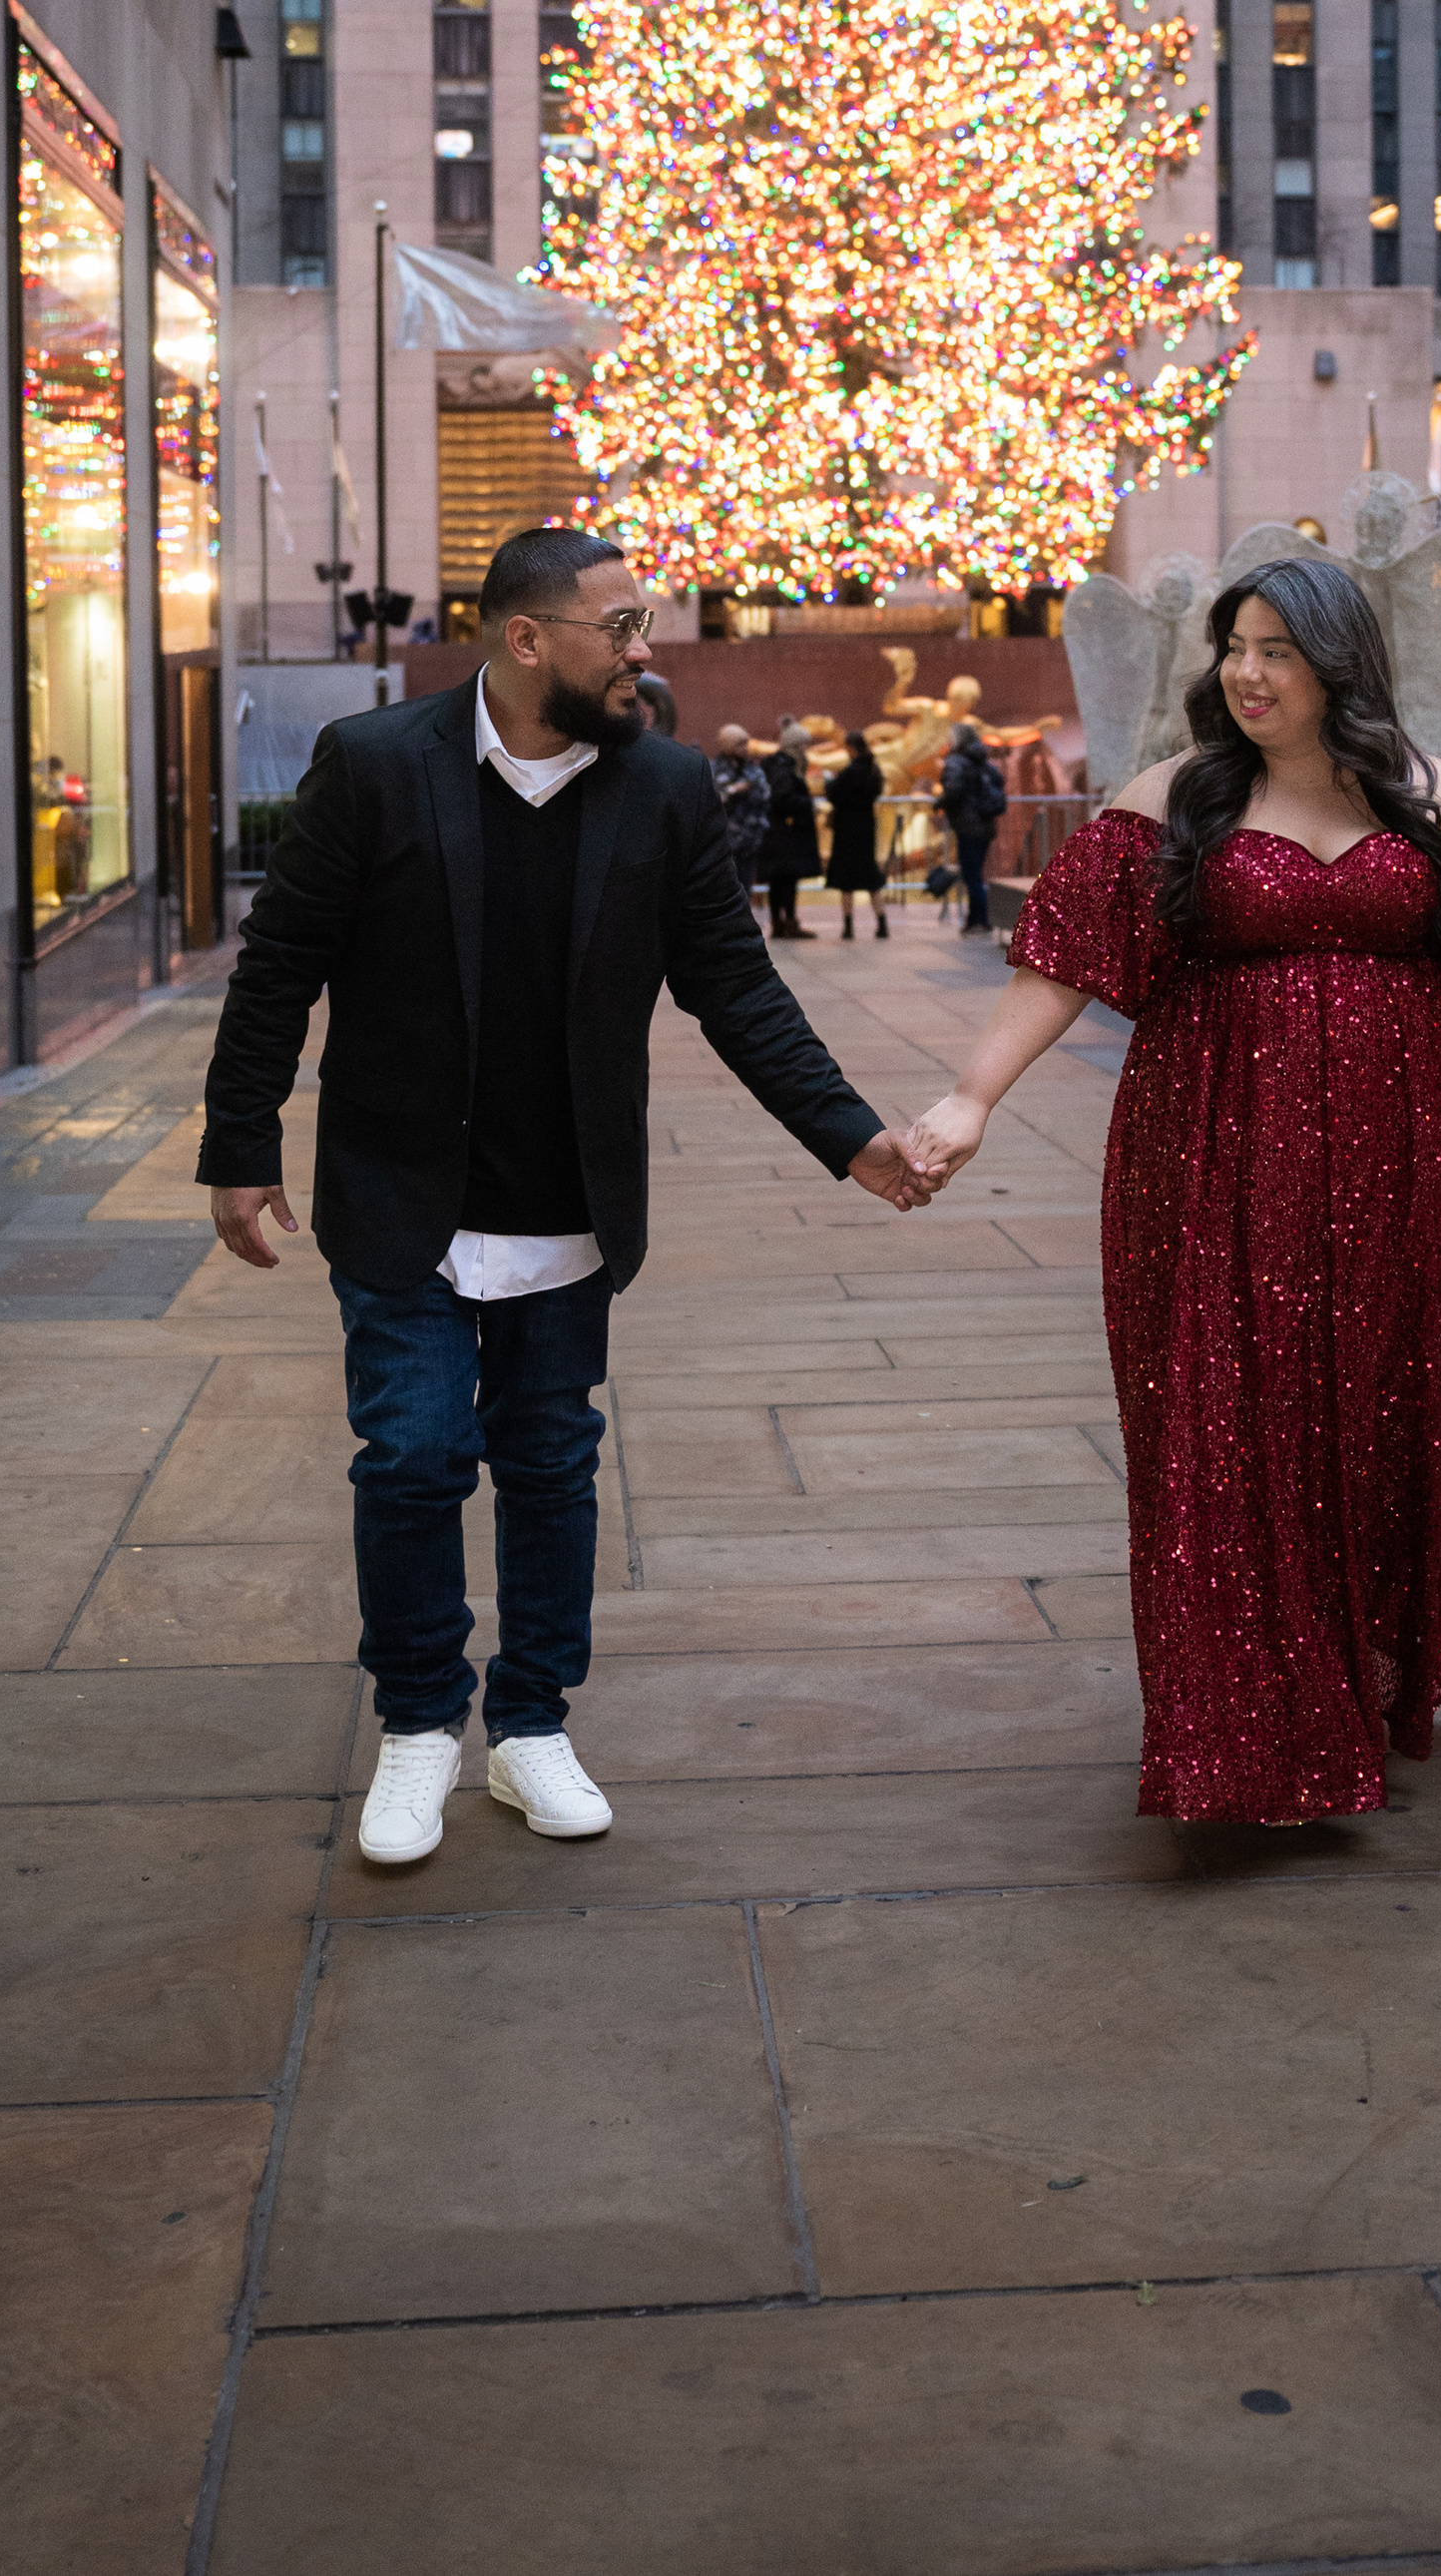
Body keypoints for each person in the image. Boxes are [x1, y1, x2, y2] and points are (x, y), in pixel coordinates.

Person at [198, 525, 935, 1873]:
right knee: (413, 1459)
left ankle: (530, 1724)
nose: (644, 648)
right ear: (528, 639)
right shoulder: (374, 766)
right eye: (623, 625)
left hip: (570, 1210)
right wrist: (238, 1144)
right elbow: (277, 967)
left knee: (550, 1466)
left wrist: (850, 1137)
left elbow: (735, 985)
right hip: (402, 1197)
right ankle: (422, 1725)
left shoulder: (661, 787)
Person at [907, 559, 1441, 1826]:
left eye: (1276, 647)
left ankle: (1360, 1679)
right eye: (1234, 644)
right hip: (1215, 1154)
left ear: (1339, 660)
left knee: (1392, 1408)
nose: (1246, 671)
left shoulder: (1432, 797)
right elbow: (1059, 965)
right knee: (1235, 1421)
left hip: (1412, 1160)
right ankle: (1250, 1726)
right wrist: (970, 1097)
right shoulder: (1178, 795)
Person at [937, 719, 1009, 936]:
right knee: (976, 873)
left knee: (972, 875)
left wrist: (939, 804)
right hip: (984, 823)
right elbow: (998, 780)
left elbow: (953, 790)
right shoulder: (981, 761)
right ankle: (975, 918)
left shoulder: (956, 762)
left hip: (967, 825)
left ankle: (981, 919)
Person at [824, 727, 890, 941]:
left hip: (846, 828)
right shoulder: (874, 770)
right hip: (866, 826)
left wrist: (828, 782)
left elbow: (835, 794)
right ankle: (881, 923)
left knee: (846, 880)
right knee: (870, 877)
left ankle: (848, 926)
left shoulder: (850, 771)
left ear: (851, 749)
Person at [761, 721, 822, 940]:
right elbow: (782, 799)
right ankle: (787, 923)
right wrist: (807, 804)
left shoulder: (777, 765)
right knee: (786, 880)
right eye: (804, 746)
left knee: (779, 881)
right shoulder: (785, 769)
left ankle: (780, 922)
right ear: (795, 746)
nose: (806, 751)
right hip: (786, 834)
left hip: (779, 833)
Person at [711, 726, 770, 920]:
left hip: (749, 839)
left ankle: (743, 926)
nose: (745, 748)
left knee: (745, 888)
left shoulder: (753, 769)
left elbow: (765, 795)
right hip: (724, 841)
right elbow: (712, 799)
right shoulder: (714, 768)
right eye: (739, 744)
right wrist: (734, 791)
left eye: (746, 743)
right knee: (724, 889)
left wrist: (751, 791)